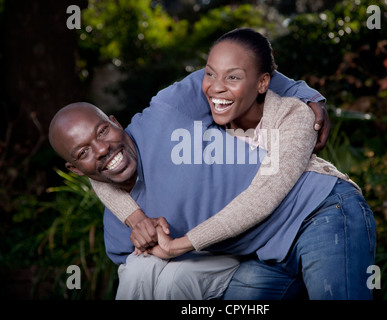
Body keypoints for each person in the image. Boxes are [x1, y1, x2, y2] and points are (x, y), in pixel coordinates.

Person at [89, 28, 376, 300]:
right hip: (265, 246)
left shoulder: (295, 117)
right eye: (210, 74)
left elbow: (263, 196)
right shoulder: (196, 104)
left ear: (262, 82)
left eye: (233, 78)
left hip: (321, 213)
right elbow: (97, 166)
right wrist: (136, 217)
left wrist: (180, 245)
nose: (216, 87)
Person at [48, 43, 331, 299]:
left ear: (114, 122)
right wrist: (136, 223)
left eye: (101, 131)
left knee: (175, 279)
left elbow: (238, 72)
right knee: (141, 273)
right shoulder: (117, 226)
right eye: (83, 152)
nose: (100, 149)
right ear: (75, 170)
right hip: (216, 257)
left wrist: (304, 95)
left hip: (287, 218)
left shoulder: (167, 112)